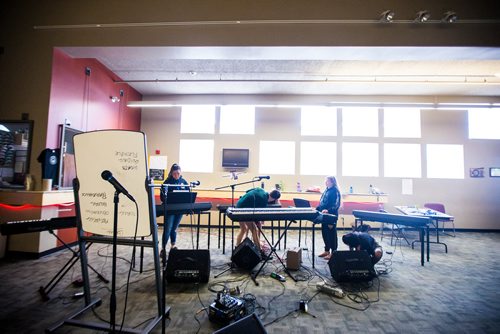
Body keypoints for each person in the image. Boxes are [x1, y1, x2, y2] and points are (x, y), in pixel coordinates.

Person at [235, 187, 281, 254]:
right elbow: (259, 216)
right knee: (254, 230)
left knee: (243, 229)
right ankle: (260, 251)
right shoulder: (263, 201)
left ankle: (237, 247)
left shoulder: (261, 189)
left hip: (238, 206)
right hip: (244, 211)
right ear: (274, 199)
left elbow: (247, 190)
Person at [160, 163, 188, 252]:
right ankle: (163, 249)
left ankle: (173, 245)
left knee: (174, 229)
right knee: (167, 229)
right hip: (170, 210)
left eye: (178, 173)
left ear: (180, 173)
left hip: (179, 210)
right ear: (171, 173)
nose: (176, 175)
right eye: (174, 173)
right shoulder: (167, 182)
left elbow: (188, 195)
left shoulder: (183, 182)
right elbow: (162, 197)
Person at [316, 176, 341, 261]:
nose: (325, 182)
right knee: (325, 233)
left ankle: (333, 253)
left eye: (327, 181)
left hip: (331, 216)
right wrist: (316, 209)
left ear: (332, 182)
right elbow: (322, 202)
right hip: (324, 215)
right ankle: (327, 251)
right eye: (325, 181)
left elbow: (336, 204)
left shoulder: (335, 191)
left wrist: (328, 210)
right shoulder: (326, 190)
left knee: (332, 234)